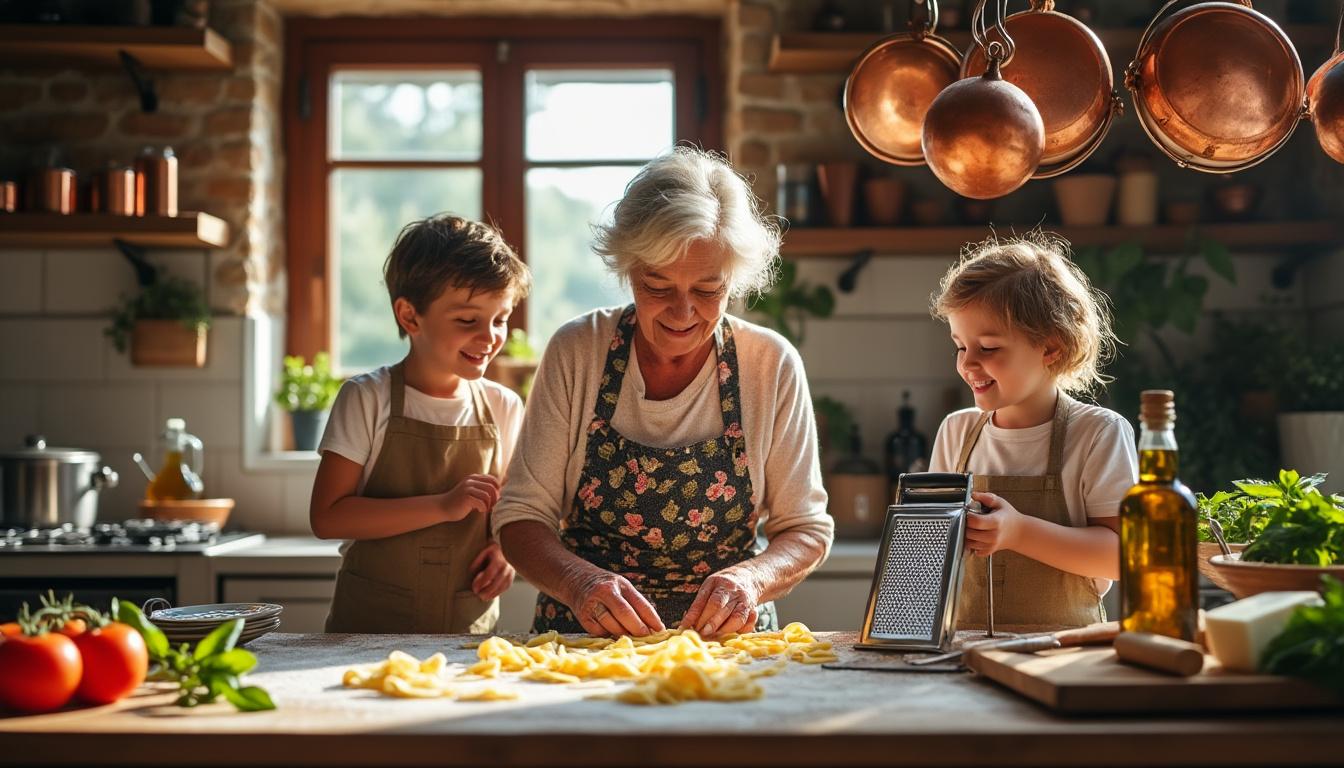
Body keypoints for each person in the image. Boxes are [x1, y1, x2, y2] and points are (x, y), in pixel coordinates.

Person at [493, 147, 834, 639]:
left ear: (733, 280)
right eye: (658, 286)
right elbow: (521, 518)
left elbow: (806, 528)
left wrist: (751, 580)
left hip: (727, 647)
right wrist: (580, 583)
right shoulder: (578, 350)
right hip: (584, 641)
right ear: (628, 269)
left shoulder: (770, 364)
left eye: (708, 290)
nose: (683, 312)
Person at [311, 214, 531, 633]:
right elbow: (328, 517)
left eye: (500, 319)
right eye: (467, 321)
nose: (489, 337)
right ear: (410, 316)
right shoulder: (365, 398)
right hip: (365, 634)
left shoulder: (503, 405)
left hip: (466, 636)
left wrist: (504, 552)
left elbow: (515, 506)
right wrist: (443, 506)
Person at [928, 231, 1136, 631]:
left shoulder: (1097, 434)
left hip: (1065, 653)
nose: (967, 364)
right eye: (960, 346)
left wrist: (1019, 532)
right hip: (964, 650)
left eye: (988, 347)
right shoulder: (956, 432)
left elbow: (1122, 557)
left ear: (1050, 348)